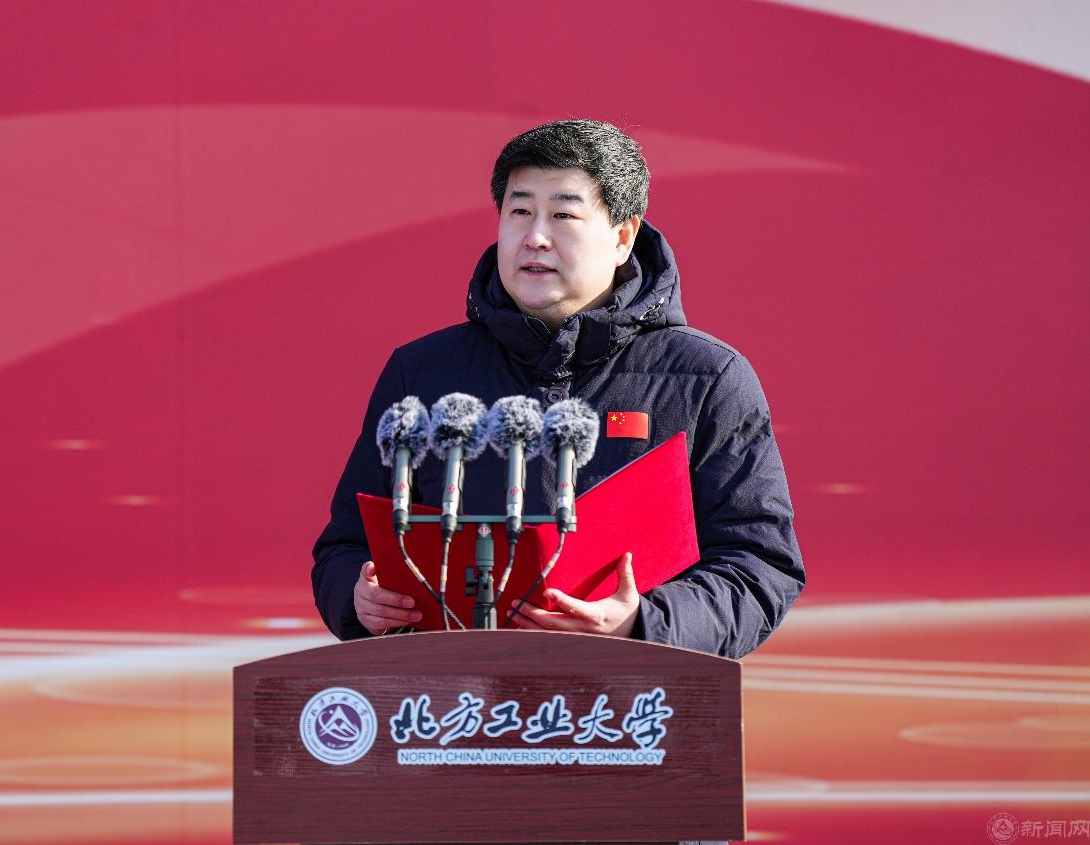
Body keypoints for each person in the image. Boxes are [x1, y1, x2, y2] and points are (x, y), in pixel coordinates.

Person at [312, 119, 804, 660]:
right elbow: (346, 546)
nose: (535, 237)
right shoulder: (421, 373)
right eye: (519, 211)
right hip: (455, 694)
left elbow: (759, 565)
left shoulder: (706, 378)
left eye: (564, 215)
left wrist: (645, 622)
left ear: (622, 238)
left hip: (632, 698)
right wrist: (358, 600)